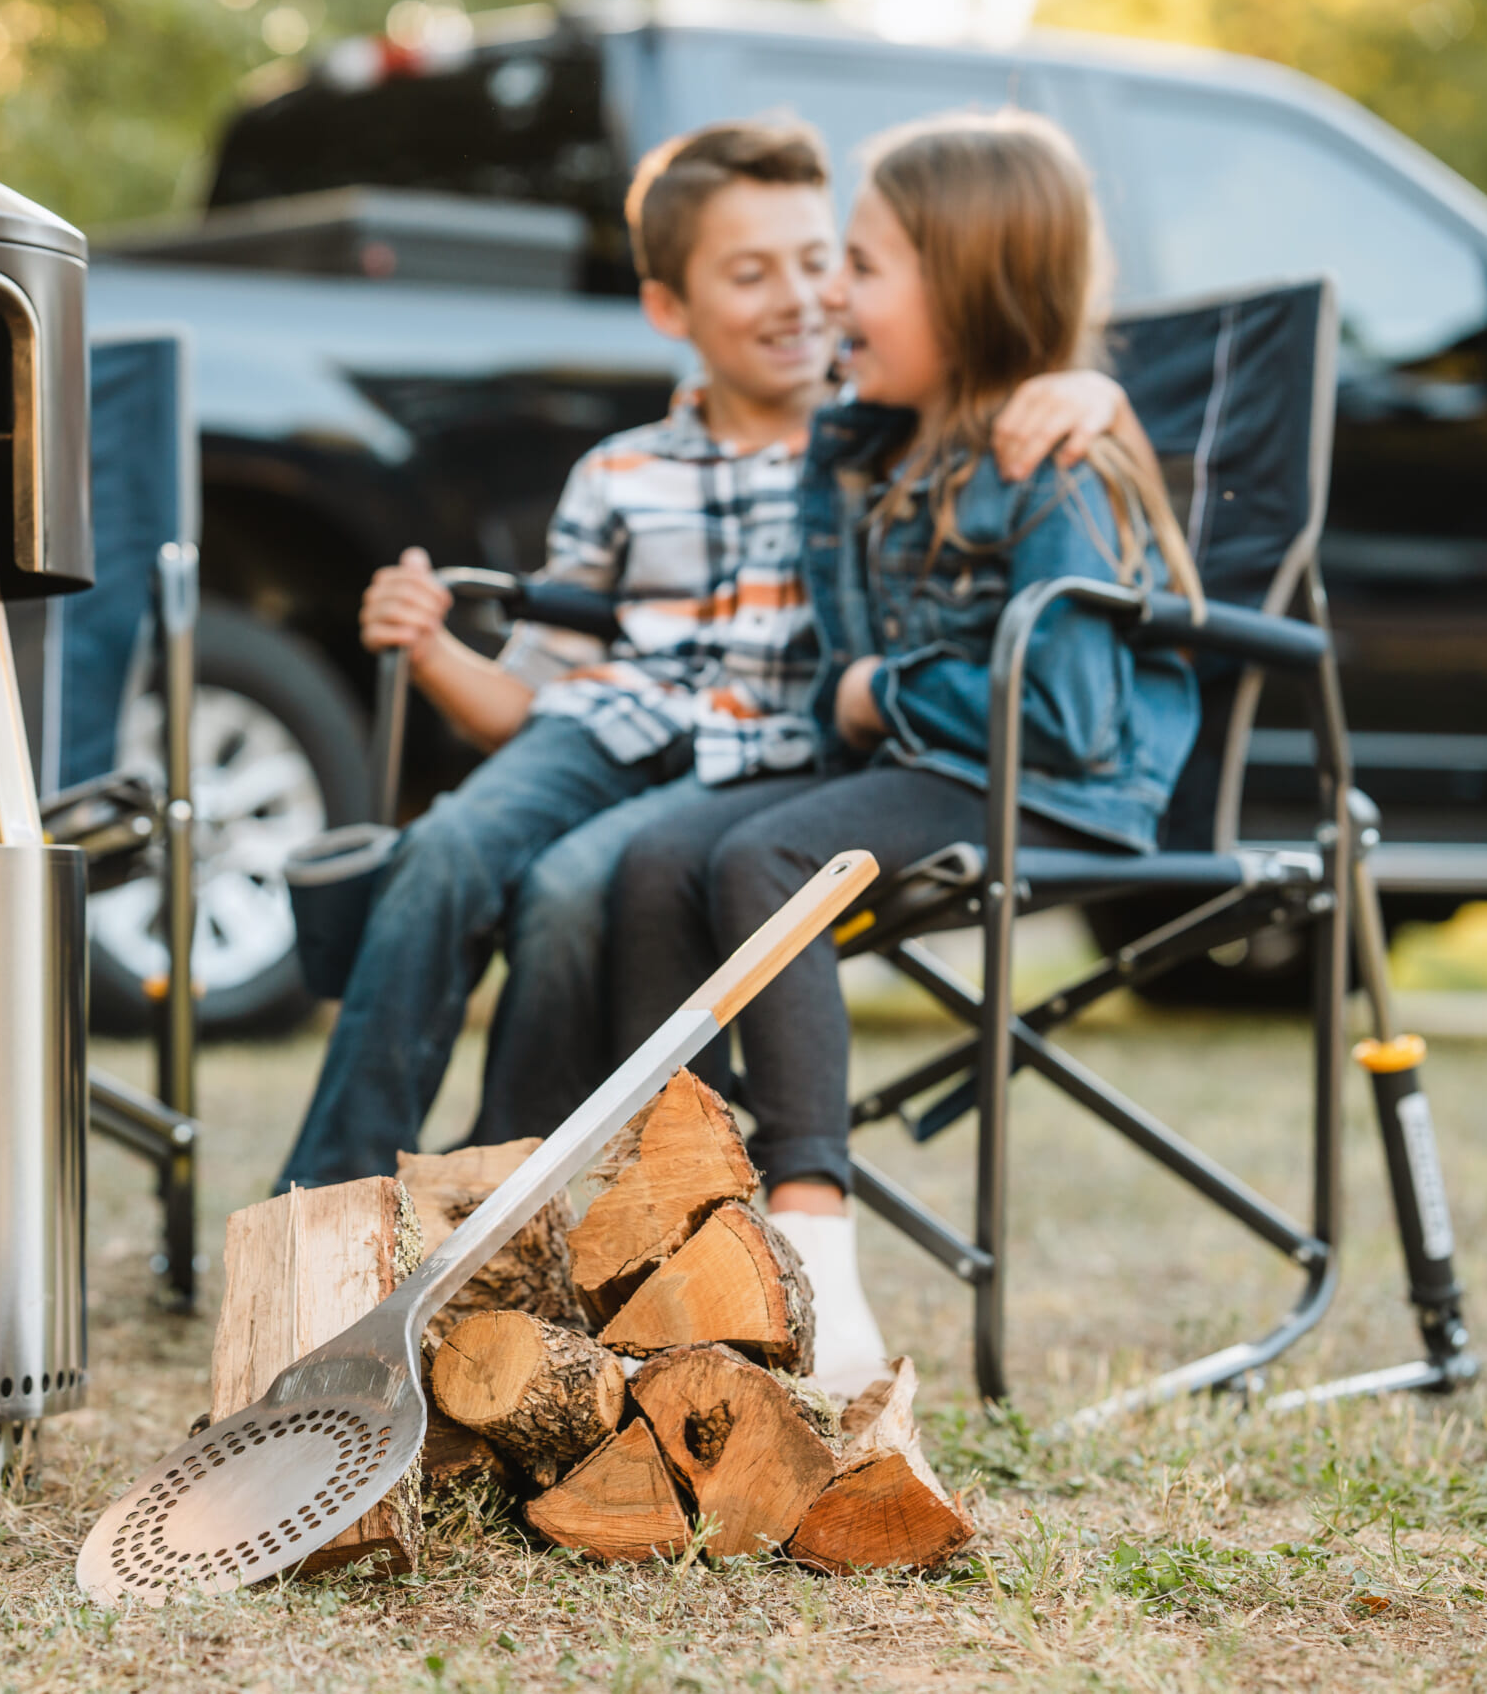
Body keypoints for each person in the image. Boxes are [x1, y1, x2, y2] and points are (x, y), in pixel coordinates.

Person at [275, 115, 1139, 1192]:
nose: (798, 298)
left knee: (565, 890)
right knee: (445, 848)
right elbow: (524, 700)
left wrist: (1091, 390)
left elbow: (1008, 396)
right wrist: (432, 647)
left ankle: (504, 1198)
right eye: (748, 273)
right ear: (667, 308)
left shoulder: (873, 439)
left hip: (765, 760)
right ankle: (328, 1195)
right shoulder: (621, 472)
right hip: (603, 727)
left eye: (822, 262)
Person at [605, 109, 1202, 1393]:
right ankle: (679, 1235)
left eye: (860, 267)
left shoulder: (1053, 460)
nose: (827, 293)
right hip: (938, 770)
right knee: (660, 856)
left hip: (1056, 792)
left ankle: (814, 1251)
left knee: (769, 855)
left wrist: (884, 689)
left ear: (972, 292)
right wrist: (861, 699)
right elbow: (839, 687)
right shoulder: (873, 446)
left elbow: (1066, 716)